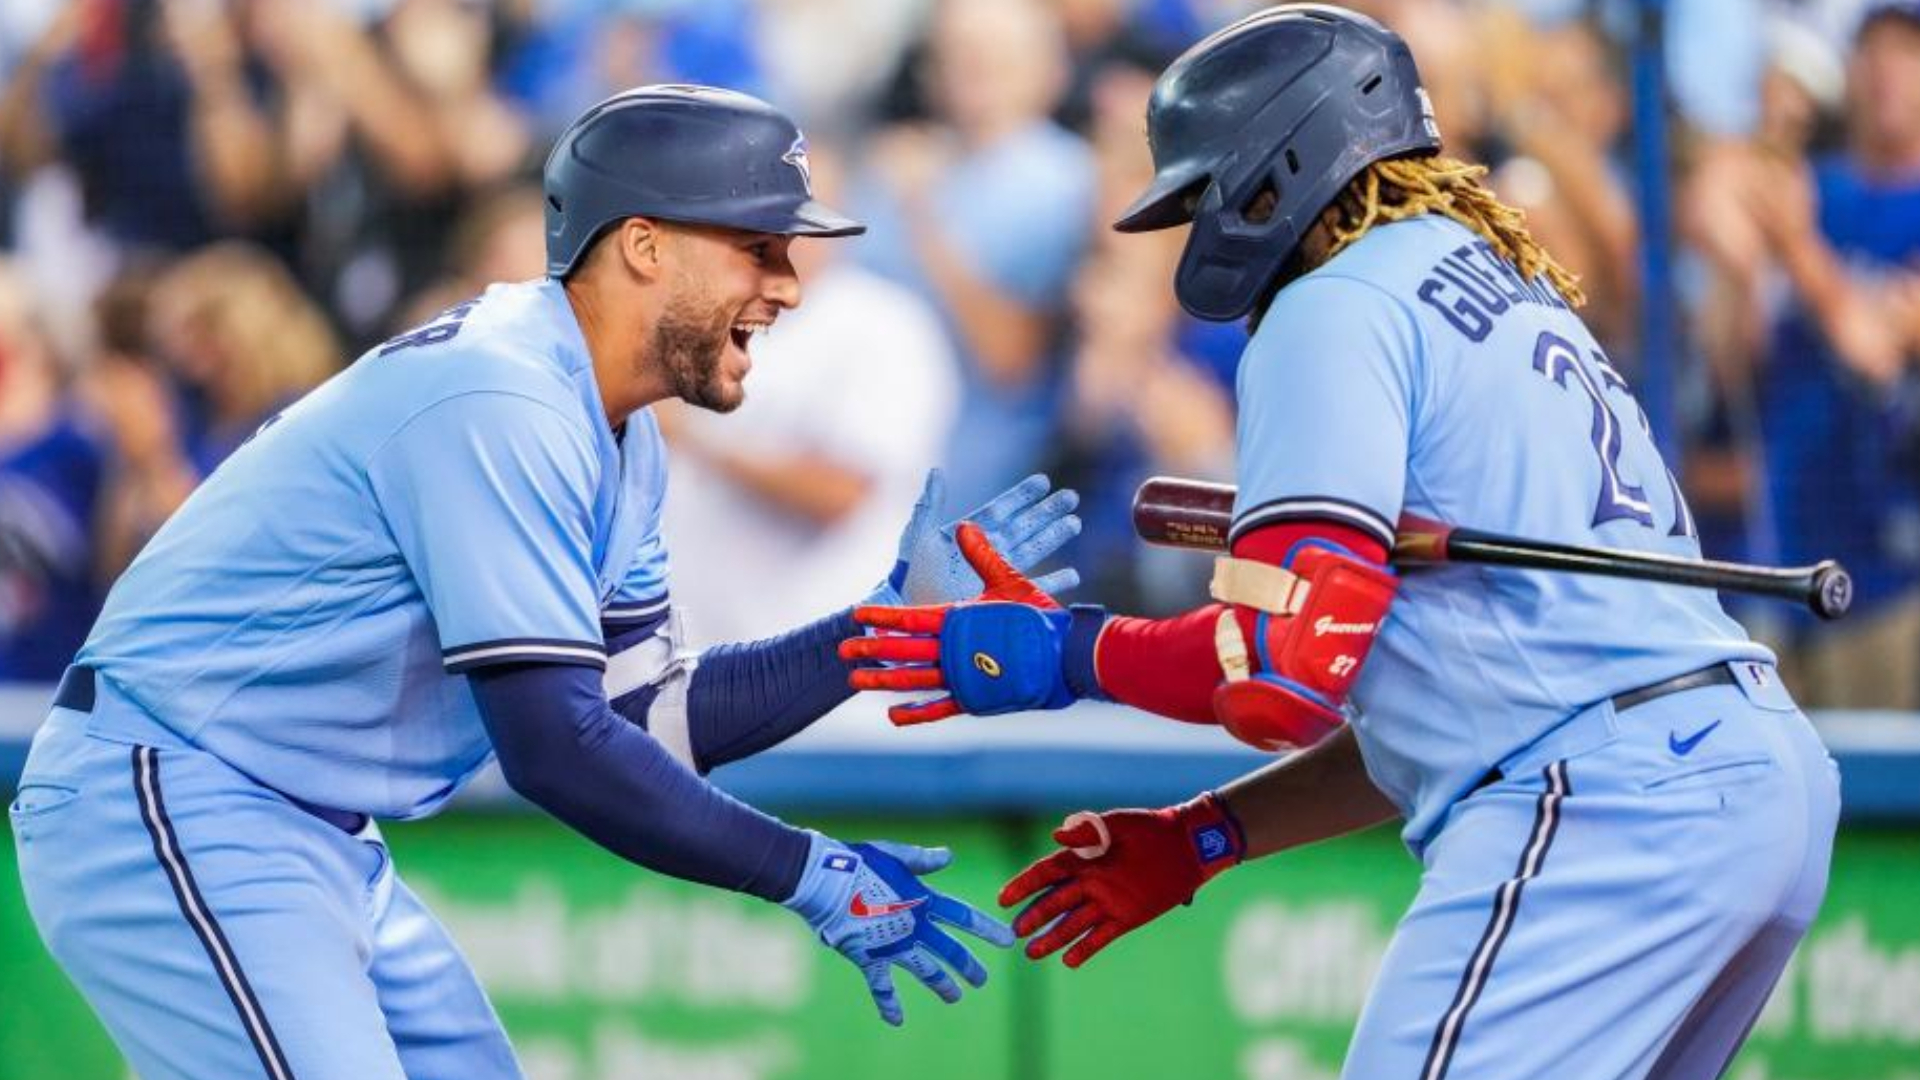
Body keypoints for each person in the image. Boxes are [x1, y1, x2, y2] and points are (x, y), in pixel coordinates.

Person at [8, 85, 1082, 1079]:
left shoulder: (616, 431)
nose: (788, 285)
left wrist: (877, 635)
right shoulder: (502, 395)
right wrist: (804, 869)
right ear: (644, 247)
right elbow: (556, 748)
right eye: (759, 246)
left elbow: (640, 717)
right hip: (178, 786)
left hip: (299, 820)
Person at [843, 8, 1839, 1078]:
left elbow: (1285, 670)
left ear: (1283, 163)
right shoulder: (1486, 276)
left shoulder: (1336, 302)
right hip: (1740, 778)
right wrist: (1203, 837)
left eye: (1208, 190)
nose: (1201, 222)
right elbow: (1442, 702)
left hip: (1608, 804)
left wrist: (1061, 655)